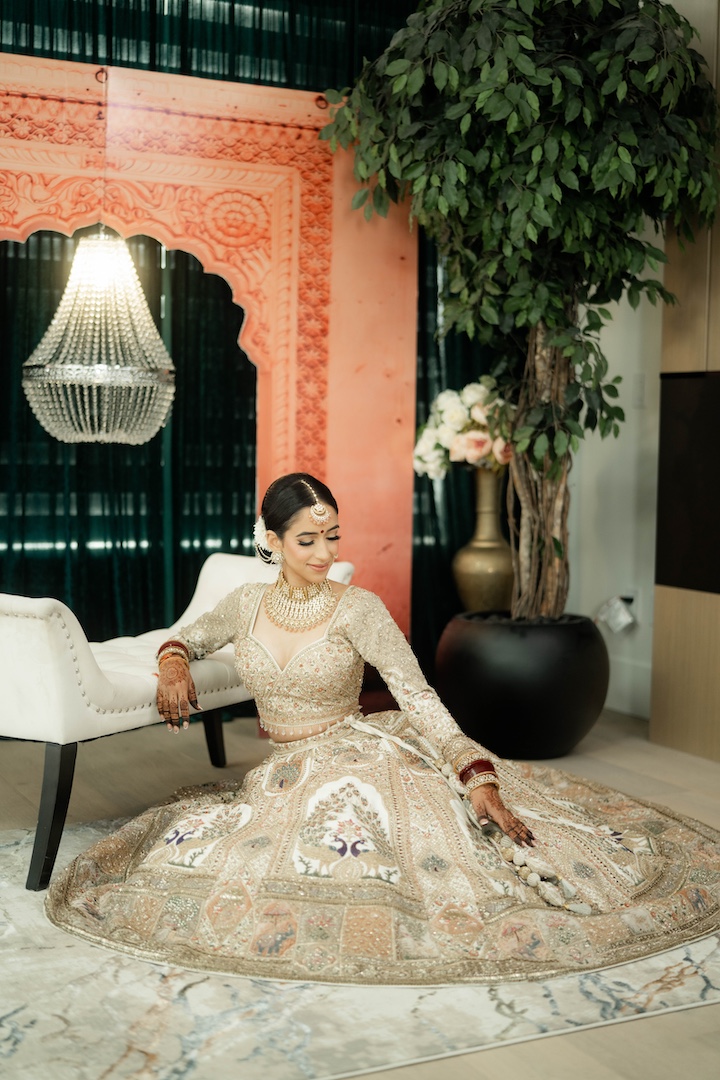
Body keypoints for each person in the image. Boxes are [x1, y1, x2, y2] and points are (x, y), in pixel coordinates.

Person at [46, 473, 720, 985]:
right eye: (307, 540)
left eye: (332, 536)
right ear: (271, 541)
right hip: (281, 769)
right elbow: (185, 638)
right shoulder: (244, 603)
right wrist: (172, 663)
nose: (324, 552)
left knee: (392, 857)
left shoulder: (358, 608)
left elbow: (419, 696)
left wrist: (475, 774)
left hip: (357, 753)